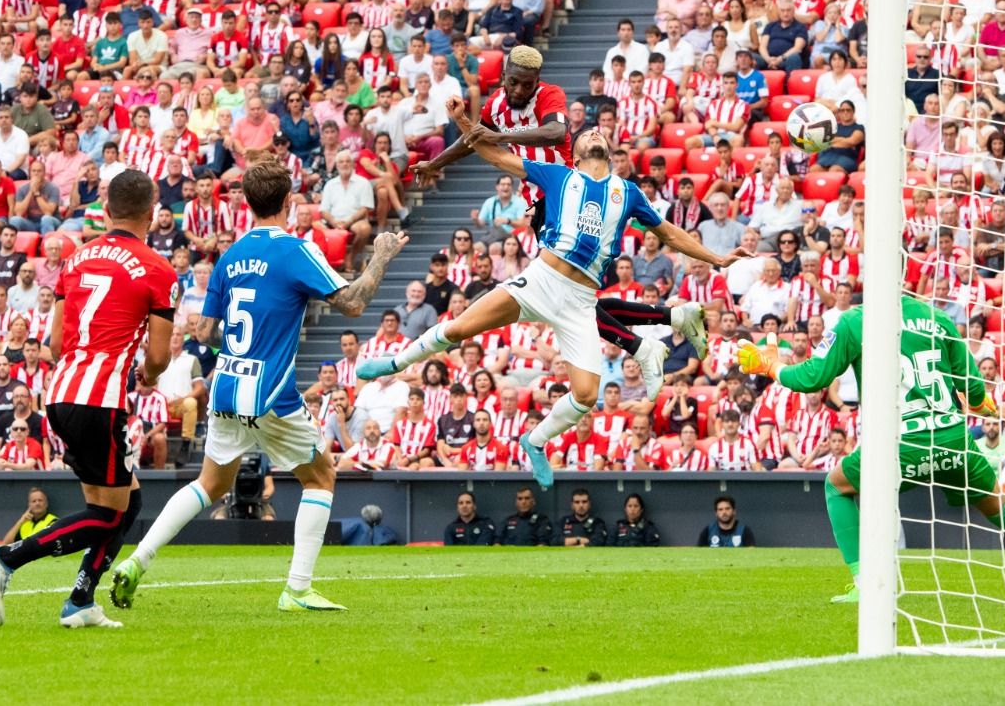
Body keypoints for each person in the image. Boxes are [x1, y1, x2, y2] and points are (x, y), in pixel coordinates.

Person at [359, 98, 750, 491]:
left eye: (599, 133)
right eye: (586, 133)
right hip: (541, 281)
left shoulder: (627, 191)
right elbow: (495, 156)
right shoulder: (559, 176)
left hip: (580, 301)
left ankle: (535, 441)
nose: (594, 134)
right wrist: (462, 119)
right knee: (459, 328)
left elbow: (670, 233)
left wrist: (716, 258)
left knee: (586, 396)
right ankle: (394, 363)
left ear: (608, 149)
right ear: (575, 155)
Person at [112, 158, 407, 613]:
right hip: (269, 390)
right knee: (321, 476)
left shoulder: (230, 257)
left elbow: (204, 331)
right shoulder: (296, 250)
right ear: (288, 200)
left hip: (226, 386)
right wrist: (382, 255)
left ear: (248, 204)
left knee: (210, 484)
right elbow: (351, 303)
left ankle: (138, 560)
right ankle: (298, 589)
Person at [739, 294, 1005, 602]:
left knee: (837, 485)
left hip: (900, 444)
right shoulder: (937, 318)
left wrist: (771, 366)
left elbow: (812, 378)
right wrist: (982, 406)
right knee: (1001, 508)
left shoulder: (856, 321)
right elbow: (974, 390)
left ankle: (865, 584)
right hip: (953, 440)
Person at [413, 46, 712, 394]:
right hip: (544, 206)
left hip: (567, 199)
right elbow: (474, 140)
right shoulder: (495, 104)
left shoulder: (549, 95)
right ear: (504, 77)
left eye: (527, 84)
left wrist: (500, 137)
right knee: (580, 303)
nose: (520, 90)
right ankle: (671, 319)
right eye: (514, 82)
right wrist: (435, 163)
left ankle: (646, 344)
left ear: (537, 80)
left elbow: (555, 132)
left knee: (572, 304)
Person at [0, 170, 181, 629]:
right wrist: (146, 375)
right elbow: (159, 357)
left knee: (124, 503)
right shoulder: (158, 269)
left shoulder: (77, 258)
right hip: (99, 399)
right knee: (109, 517)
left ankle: (81, 601)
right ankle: (6, 557)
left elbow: (55, 342)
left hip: (60, 394)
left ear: (106, 210)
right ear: (151, 213)